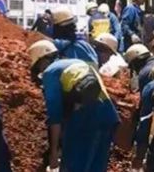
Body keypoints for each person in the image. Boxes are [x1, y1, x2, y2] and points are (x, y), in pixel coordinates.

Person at [28, 39, 119, 172]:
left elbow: (55, 118)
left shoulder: (51, 72)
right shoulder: (78, 63)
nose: (41, 71)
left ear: (42, 61)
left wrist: (53, 152)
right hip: (109, 116)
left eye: (38, 68)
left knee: (73, 166)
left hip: (86, 118)